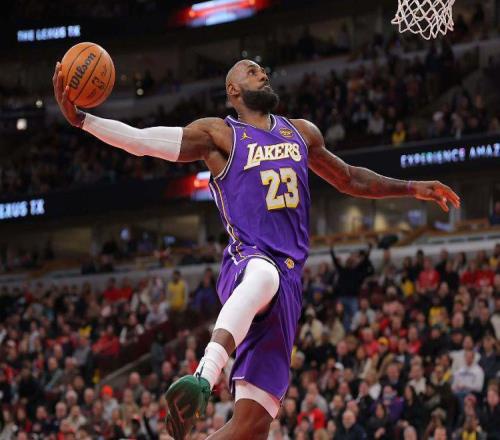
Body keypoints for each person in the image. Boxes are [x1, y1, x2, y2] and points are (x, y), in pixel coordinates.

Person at [53, 59, 460, 440]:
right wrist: (83, 120)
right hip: (247, 261)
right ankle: (203, 376)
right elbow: (144, 141)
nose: (262, 73)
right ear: (233, 90)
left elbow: (351, 178)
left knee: (252, 426)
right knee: (264, 274)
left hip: (289, 283)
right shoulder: (220, 135)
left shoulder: (301, 132)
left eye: (262, 70)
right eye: (251, 71)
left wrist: (411, 187)